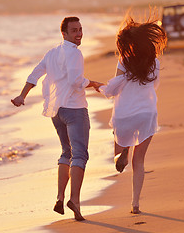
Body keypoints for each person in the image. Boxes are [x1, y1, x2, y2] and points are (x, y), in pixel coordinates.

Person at [11, 16, 101, 221]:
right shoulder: (75, 54)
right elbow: (76, 81)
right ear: (64, 34)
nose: (79, 34)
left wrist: (22, 96)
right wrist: (94, 82)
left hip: (56, 111)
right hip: (74, 109)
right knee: (79, 155)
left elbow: (35, 74)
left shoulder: (52, 53)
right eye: (74, 30)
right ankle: (75, 201)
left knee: (66, 153)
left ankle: (60, 197)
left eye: (80, 29)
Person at [98, 16, 167, 214]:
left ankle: (123, 152)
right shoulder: (153, 62)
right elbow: (154, 85)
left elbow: (113, 88)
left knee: (118, 155)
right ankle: (135, 204)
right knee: (140, 162)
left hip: (124, 115)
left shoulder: (124, 60)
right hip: (147, 113)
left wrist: (100, 87)